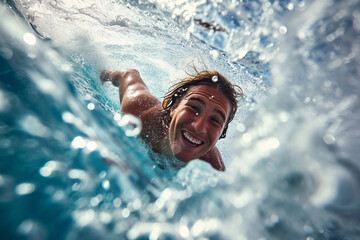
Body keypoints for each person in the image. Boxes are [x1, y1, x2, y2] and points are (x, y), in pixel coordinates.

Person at [100, 68, 243, 171]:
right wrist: (104, 74)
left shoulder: (213, 169)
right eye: (193, 107)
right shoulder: (139, 111)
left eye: (215, 120)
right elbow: (127, 75)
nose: (199, 127)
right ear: (174, 107)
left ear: (221, 134)